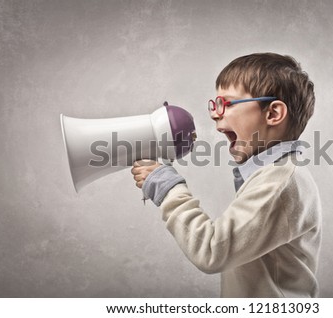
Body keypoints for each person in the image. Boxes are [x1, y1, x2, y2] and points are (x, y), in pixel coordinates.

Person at [131, 53, 322, 297]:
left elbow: (212, 251)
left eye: (226, 103)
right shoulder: (274, 174)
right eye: (214, 104)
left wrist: (168, 187)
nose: (214, 113)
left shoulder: (280, 182)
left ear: (273, 114)